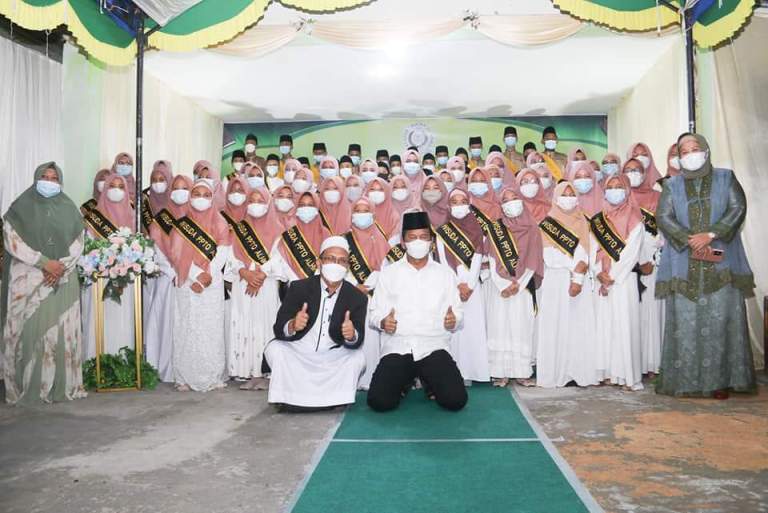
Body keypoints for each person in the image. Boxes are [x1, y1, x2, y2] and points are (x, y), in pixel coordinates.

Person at [655, 133, 755, 399]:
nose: (691, 154)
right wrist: (690, 239)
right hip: (683, 264)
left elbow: (738, 208)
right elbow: (663, 216)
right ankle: (686, 381)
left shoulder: (725, 177)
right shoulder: (671, 185)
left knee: (721, 320)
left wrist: (710, 234)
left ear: (706, 150)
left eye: (695, 148)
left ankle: (721, 382)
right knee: (686, 323)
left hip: (721, 264)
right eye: (684, 151)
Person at [2, 162, 86, 405]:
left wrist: (59, 267)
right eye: (44, 177)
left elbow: (78, 242)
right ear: (36, 178)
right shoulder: (20, 207)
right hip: (28, 278)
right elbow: (12, 240)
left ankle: (60, 385)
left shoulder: (70, 208)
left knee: (58, 333)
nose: (49, 181)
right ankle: (26, 387)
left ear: (60, 182)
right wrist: (44, 263)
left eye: (53, 178)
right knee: (27, 333)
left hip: (62, 277)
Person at [367, 211, 467, 412]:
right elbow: (374, 314)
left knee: (456, 401)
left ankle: (429, 381)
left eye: (423, 237)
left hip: (433, 345)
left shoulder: (445, 274)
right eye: (412, 238)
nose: (418, 242)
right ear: (403, 243)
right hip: (399, 346)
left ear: (431, 241)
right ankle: (406, 382)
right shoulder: (389, 273)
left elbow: (458, 314)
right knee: (379, 402)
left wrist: (453, 320)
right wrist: (383, 322)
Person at [265, 236, 367, 411]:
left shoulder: (356, 297)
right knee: (275, 349)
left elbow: (358, 339)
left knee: (357, 358)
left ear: (348, 267)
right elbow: (279, 328)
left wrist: (352, 335)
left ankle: (333, 399)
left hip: (333, 356)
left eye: (342, 261)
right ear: (319, 262)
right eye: (330, 259)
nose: (336, 264)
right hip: (300, 351)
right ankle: (288, 397)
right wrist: (292, 325)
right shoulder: (299, 288)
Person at [170, 180, 232, 392]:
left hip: (212, 284)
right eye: (197, 193)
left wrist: (207, 276)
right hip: (186, 282)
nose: (201, 198)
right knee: (186, 327)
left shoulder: (220, 222)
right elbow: (176, 254)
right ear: (190, 196)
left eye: (206, 195)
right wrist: (196, 276)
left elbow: (223, 252)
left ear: (212, 198)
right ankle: (185, 376)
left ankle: (212, 375)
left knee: (210, 329)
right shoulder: (181, 225)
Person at [536, 182, 600, 388]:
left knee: (578, 326)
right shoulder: (547, 224)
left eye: (572, 194)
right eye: (564, 194)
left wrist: (578, 277)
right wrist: (575, 267)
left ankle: (579, 373)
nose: (568, 198)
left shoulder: (584, 221)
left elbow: (588, 250)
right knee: (556, 326)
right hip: (556, 279)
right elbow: (549, 256)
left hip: (580, 281)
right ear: (555, 198)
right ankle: (555, 374)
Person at [592, 174, 645, 390]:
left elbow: (631, 254)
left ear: (627, 190)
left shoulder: (635, 219)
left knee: (624, 327)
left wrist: (611, 277)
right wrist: (599, 273)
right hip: (601, 281)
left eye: (619, 186)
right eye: (610, 187)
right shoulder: (598, 220)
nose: (614, 190)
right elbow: (592, 250)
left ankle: (627, 377)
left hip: (623, 280)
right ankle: (606, 373)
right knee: (604, 327)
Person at [486, 187, 543, 386]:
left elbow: (534, 260)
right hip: (499, 288)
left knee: (521, 328)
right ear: (501, 206)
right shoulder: (495, 228)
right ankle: (499, 372)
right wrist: (503, 284)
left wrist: (518, 283)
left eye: (514, 198)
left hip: (523, 288)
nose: (511, 203)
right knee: (500, 327)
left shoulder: (533, 228)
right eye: (506, 200)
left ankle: (522, 372)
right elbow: (491, 259)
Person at [228, 186, 282, 390]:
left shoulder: (278, 229)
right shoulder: (239, 229)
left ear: (268, 204)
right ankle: (248, 372)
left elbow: (279, 258)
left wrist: (260, 274)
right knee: (245, 324)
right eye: (252, 201)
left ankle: (265, 373)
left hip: (266, 285)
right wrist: (244, 273)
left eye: (260, 201)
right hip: (242, 285)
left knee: (264, 326)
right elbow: (231, 257)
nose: (255, 205)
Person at [435, 189, 488, 384]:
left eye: (463, 201)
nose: (459, 205)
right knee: (454, 330)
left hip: (473, 288)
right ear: (449, 206)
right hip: (452, 286)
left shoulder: (477, 227)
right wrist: (458, 284)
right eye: (454, 202)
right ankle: (454, 372)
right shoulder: (442, 231)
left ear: (469, 204)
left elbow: (478, 257)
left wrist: (470, 284)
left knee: (473, 329)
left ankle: (474, 372)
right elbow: (442, 261)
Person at [81, 173, 136, 359]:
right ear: (104, 189)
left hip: (125, 283)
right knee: (99, 321)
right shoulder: (94, 218)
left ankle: (123, 363)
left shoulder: (132, 218)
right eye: (112, 186)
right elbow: (86, 248)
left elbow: (137, 249)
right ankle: (94, 363)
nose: (116, 190)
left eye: (121, 187)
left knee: (121, 321)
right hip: (99, 280)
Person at [145, 174, 192, 382]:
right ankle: (165, 368)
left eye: (185, 188)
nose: (180, 192)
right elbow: (156, 250)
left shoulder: (197, 218)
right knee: (165, 324)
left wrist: (187, 274)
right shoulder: (161, 219)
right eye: (176, 188)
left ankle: (186, 369)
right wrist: (173, 272)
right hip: (168, 280)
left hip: (190, 281)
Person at [622, 153, 664, 377]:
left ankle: (651, 363)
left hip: (651, 264)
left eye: (637, 169)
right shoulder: (619, 198)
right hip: (626, 268)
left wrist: (650, 256)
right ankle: (631, 365)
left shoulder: (658, 197)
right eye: (628, 170)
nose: (633, 174)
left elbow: (664, 230)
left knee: (649, 313)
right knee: (630, 316)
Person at [345, 198, 390, 389]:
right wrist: (355, 285)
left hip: (375, 297)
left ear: (373, 214)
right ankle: (351, 380)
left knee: (373, 340)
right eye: (357, 210)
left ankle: (372, 379)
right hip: (350, 295)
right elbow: (339, 267)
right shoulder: (344, 240)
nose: (361, 214)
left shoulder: (381, 240)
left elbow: (387, 268)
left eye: (366, 210)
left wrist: (369, 284)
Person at [269, 191, 331, 283]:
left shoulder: (325, 233)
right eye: (302, 205)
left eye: (310, 205)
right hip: (292, 284)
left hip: (320, 284)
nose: (306, 208)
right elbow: (277, 260)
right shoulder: (289, 232)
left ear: (317, 208)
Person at [363, 177, 400, 241]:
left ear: (387, 192)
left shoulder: (394, 216)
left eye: (381, 190)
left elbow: (394, 241)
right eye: (372, 189)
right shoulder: (359, 213)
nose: (376, 193)